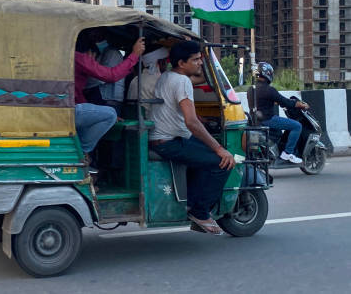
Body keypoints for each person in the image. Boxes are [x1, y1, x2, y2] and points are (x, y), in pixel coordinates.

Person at [150, 41, 235, 235]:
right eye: (196, 60)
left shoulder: (167, 76)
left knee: (206, 153)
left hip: (165, 138)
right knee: (222, 162)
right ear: (182, 63)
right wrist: (219, 149)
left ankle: (192, 204)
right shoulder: (182, 81)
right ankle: (200, 212)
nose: (199, 63)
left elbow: (184, 114)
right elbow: (191, 122)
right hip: (170, 142)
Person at [75, 34, 145, 171]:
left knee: (106, 115)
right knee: (110, 113)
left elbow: (78, 96)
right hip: (70, 111)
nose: (94, 61)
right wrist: (135, 55)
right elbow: (111, 76)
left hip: (69, 109)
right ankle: (82, 150)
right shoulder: (80, 58)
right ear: (89, 52)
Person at [253, 62, 309, 164]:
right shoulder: (269, 90)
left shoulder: (251, 89)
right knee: (297, 126)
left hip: (256, 120)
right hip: (268, 119)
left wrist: (273, 101)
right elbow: (285, 102)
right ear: (268, 74)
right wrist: (299, 104)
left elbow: (262, 101)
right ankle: (288, 153)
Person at [127, 47, 169, 120]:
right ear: (160, 62)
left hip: (134, 120)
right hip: (151, 123)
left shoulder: (135, 79)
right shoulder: (161, 80)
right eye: (166, 61)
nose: (167, 64)